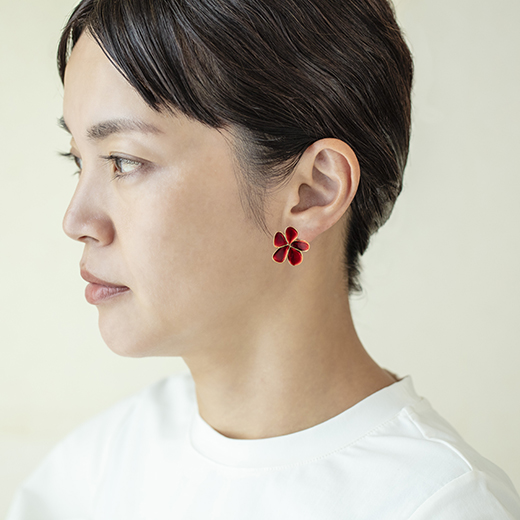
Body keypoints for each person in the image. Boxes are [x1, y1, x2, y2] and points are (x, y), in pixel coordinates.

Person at [6, 0, 520, 518]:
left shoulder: (441, 504)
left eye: (124, 161)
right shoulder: (95, 470)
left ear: (313, 192)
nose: (76, 220)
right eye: (78, 161)